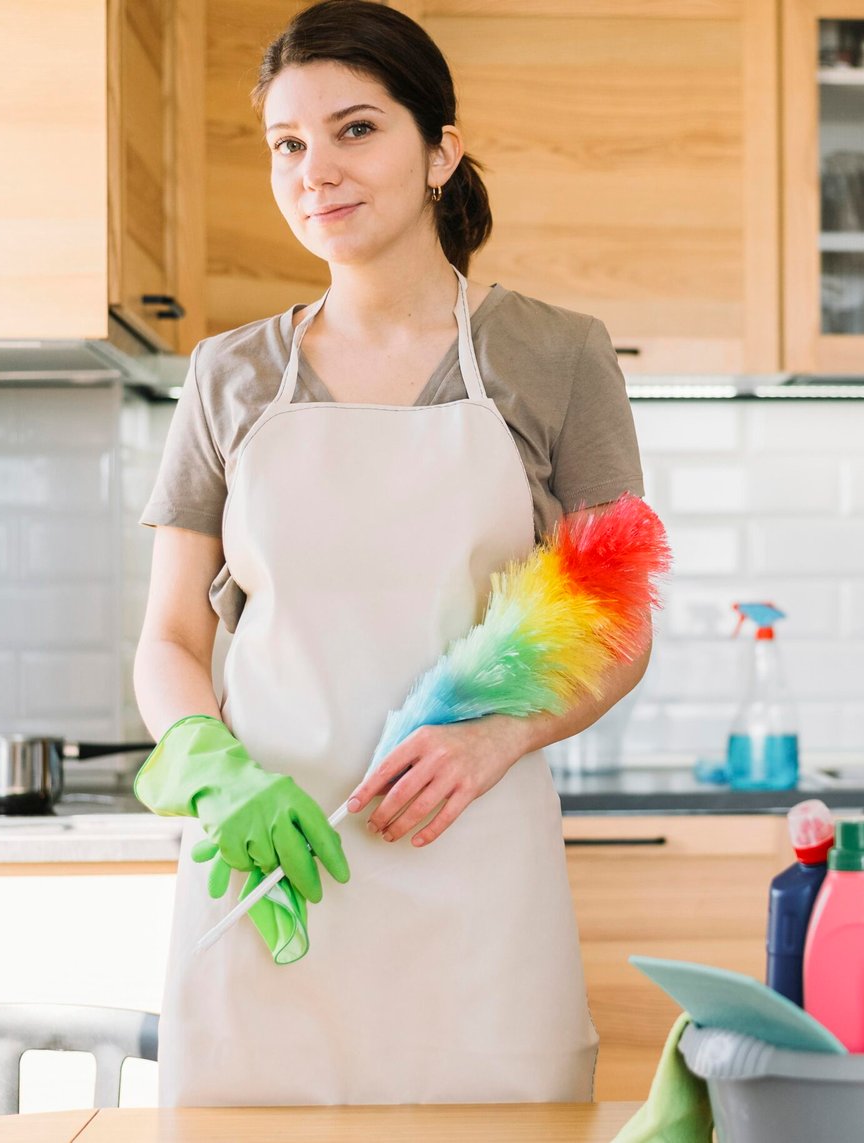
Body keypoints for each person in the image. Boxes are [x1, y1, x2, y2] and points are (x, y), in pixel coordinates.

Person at [130, 0, 648, 1107]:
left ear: (439, 153)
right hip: (265, 877)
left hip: (474, 872)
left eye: (355, 129)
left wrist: (497, 740)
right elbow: (170, 637)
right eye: (288, 143)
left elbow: (615, 620)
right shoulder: (228, 376)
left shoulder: (556, 356)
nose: (315, 168)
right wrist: (213, 772)